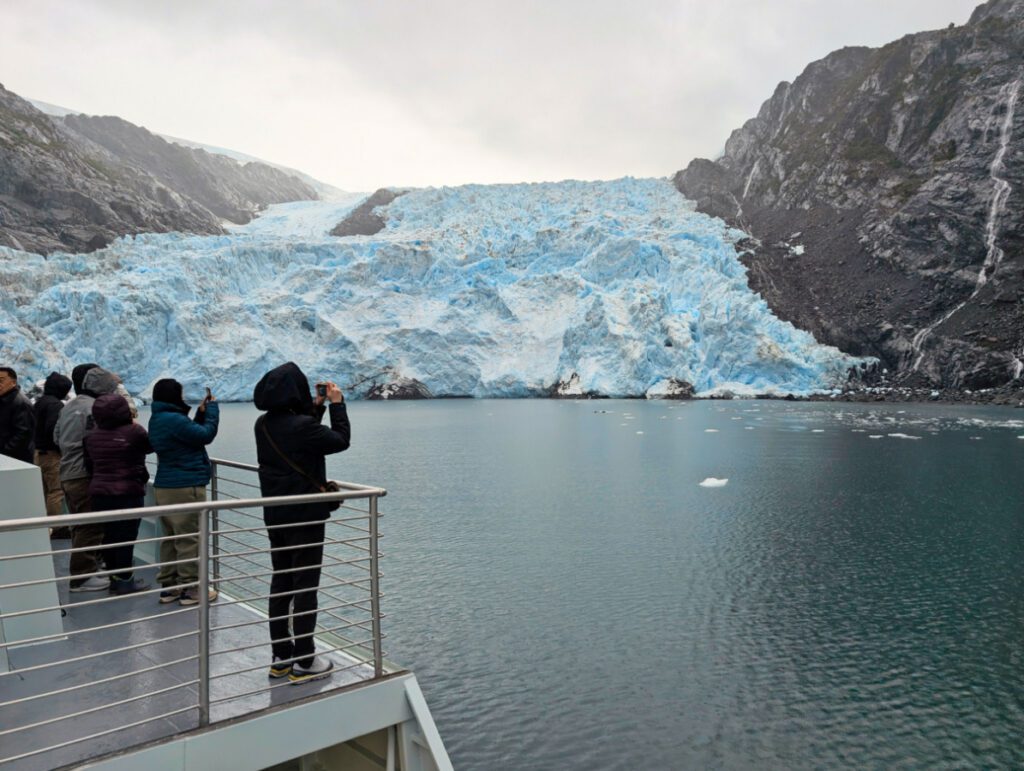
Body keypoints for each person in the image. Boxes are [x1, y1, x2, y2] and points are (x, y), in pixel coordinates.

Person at [253, 362, 350, 684]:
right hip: (306, 518)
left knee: (281, 583)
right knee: (306, 587)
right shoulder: (300, 427)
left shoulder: (262, 424)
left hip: (276, 516)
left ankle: (281, 657)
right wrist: (338, 405)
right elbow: (338, 441)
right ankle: (306, 659)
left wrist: (316, 409)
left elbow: (302, 438)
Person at [148, 379, 220, 606]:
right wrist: (213, 411)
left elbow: (189, 436)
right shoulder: (173, 419)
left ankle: (169, 587)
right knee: (189, 539)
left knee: (170, 539)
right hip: (185, 486)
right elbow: (205, 435)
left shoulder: (159, 418)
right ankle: (191, 589)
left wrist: (199, 414)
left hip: (166, 487)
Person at [54, 364, 118, 591]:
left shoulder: (69, 406)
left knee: (81, 524)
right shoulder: (95, 408)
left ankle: (87, 570)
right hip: (84, 474)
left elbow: (56, 437)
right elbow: (98, 441)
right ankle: (81, 577)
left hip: (67, 471)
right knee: (90, 524)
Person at [83, 393, 153, 595]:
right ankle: (124, 581)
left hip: (100, 493)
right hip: (128, 493)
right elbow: (150, 447)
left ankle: (115, 578)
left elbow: (89, 465)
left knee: (109, 536)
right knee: (126, 538)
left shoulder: (91, 436)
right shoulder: (134, 432)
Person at [33, 371, 74, 537]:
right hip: (50, 454)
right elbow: (53, 429)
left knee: (43, 490)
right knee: (55, 491)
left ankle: (44, 525)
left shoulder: (40, 402)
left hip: (37, 452)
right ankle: (55, 527)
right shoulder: (55, 405)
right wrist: (60, 449)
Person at [0, 366, 36, 463]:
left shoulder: (21, 403)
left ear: (13, 382)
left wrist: (3, 452)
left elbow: (23, 434)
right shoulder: (4, 401)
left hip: (16, 461)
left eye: (1, 380)